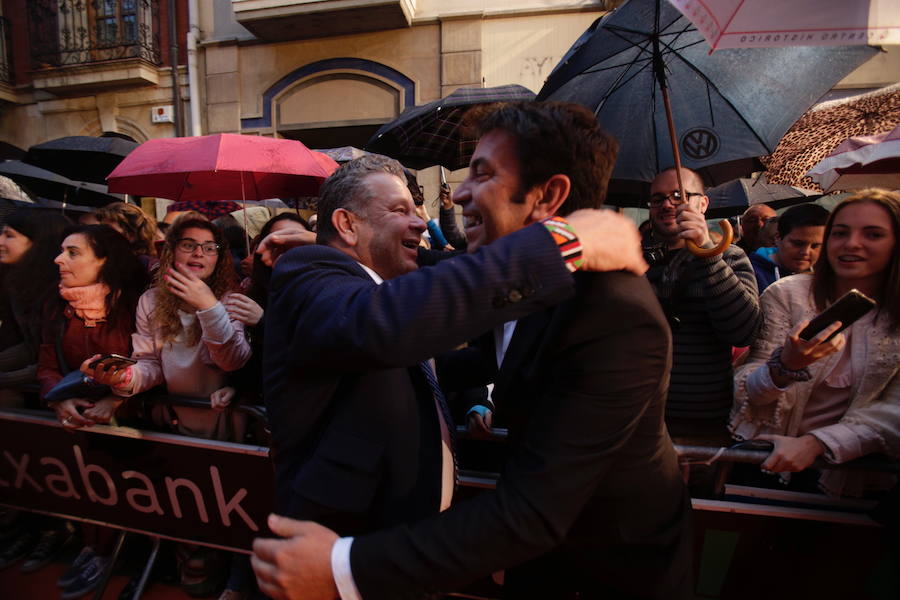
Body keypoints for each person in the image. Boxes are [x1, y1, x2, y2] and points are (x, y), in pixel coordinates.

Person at [253, 102, 690, 600]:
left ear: (547, 195)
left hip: (606, 573)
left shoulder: (611, 310)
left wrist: (344, 570)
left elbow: (532, 513)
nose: (455, 195)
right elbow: (386, 317)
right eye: (401, 211)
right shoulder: (315, 271)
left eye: (481, 174)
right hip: (491, 557)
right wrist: (562, 245)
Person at [730, 189, 900, 497]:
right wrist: (784, 368)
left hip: (858, 477)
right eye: (840, 233)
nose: (851, 243)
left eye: (873, 234)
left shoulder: (894, 313)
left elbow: (894, 411)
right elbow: (748, 390)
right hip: (766, 460)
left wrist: (818, 443)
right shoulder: (789, 294)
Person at [38, 224, 148, 599]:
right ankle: (95, 548)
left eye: (72, 252)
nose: (59, 260)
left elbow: (151, 364)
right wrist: (59, 398)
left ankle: (130, 558)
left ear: (104, 260)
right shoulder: (56, 304)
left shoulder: (135, 304)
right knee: (90, 490)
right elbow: (47, 361)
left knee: (133, 495)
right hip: (80, 426)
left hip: (135, 427)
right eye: (61, 250)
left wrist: (116, 400)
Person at [641, 167, 761, 443]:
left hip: (700, 416)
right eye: (657, 199)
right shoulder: (637, 258)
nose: (667, 204)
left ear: (703, 203)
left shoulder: (730, 257)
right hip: (638, 411)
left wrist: (706, 251)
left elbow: (744, 332)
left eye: (677, 195)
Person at [749, 203, 829, 292]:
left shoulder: (829, 276)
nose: (806, 252)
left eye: (815, 246)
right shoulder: (750, 275)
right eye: (798, 244)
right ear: (778, 238)